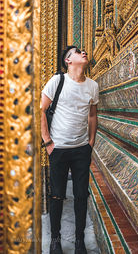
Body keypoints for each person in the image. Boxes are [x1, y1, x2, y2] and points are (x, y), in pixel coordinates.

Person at [41, 46, 99, 254]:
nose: (83, 52)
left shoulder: (92, 86)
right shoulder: (57, 81)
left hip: (81, 149)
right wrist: (48, 141)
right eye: (78, 51)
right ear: (68, 60)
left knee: (81, 195)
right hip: (59, 149)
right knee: (57, 195)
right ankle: (55, 239)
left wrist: (90, 141)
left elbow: (92, 115)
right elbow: (41, 109)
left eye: (83, 50)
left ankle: (79, 240)